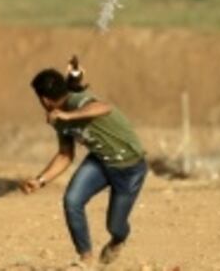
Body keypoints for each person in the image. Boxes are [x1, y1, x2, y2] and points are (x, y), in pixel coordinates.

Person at [22, 67, 147, 268]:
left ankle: (118, 240)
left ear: (44, 99)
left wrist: (68, 116)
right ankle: (85, 258)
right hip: (100, 162)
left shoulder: (77, 101)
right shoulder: (59, 119)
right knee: (72, 200)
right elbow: (65, 155)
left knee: (115, 225)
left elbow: (103, 107)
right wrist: (40, 180)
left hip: (129, 167)